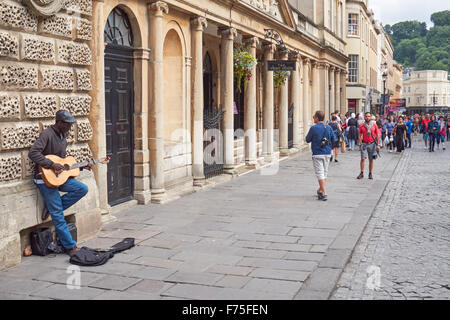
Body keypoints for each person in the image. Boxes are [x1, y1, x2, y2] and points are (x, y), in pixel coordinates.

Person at [28, 110, 93, 254]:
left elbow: (62, 165)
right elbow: (33, 153)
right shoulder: (47, 134)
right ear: (59, 122)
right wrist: (50, 164)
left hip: (57, 179)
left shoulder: (63, 136)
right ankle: (70, 246)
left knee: (82, 189)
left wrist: (81, 167)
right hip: (44, 179)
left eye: (70, 125)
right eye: (67, 125)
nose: (70, 128)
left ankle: (51, 207)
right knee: (57, 214)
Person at [305, 110, 337, 201]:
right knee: (324, 172)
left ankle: (324, 192)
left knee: (320, 173)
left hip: (317, 153)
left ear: (317, 118)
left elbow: (307, 140)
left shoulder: (313, 128)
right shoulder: (328, 127)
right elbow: (333, 138)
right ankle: (320, 189)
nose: (313, 118)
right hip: (327, 152)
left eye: (314, 116)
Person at [357, 112, 380, 180]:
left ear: (371, 117)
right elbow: (359, 135)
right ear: (364, 117)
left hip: (372, 144)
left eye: (369, 116)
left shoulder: (374, 125)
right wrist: (360, 143)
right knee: (363, 158)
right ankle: (361, 172)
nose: (367, 117)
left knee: (371, 159)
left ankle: (370, 173)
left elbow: (377, 134)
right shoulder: (362, 126)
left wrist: (378, 144)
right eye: (366, 116)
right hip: (364, 143)